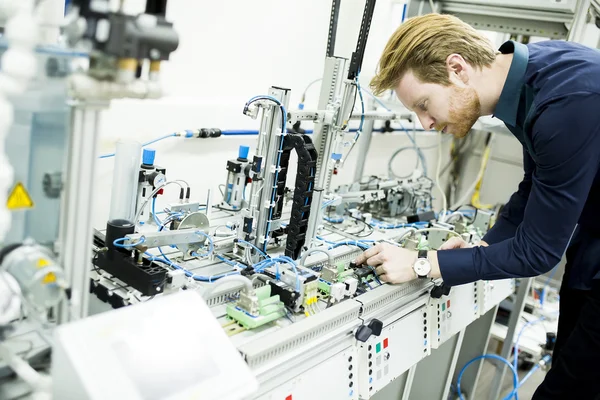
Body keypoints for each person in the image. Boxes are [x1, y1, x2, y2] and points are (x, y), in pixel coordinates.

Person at [354, 13, 600, 399]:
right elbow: (533, 187)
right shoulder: (532, 81)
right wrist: (483, 247)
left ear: (457, 69)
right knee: (570, 361)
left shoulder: (565, 99)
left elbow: (538, 254)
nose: (425, 124)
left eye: (423, 104)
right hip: (592, 249)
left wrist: (424, 263)